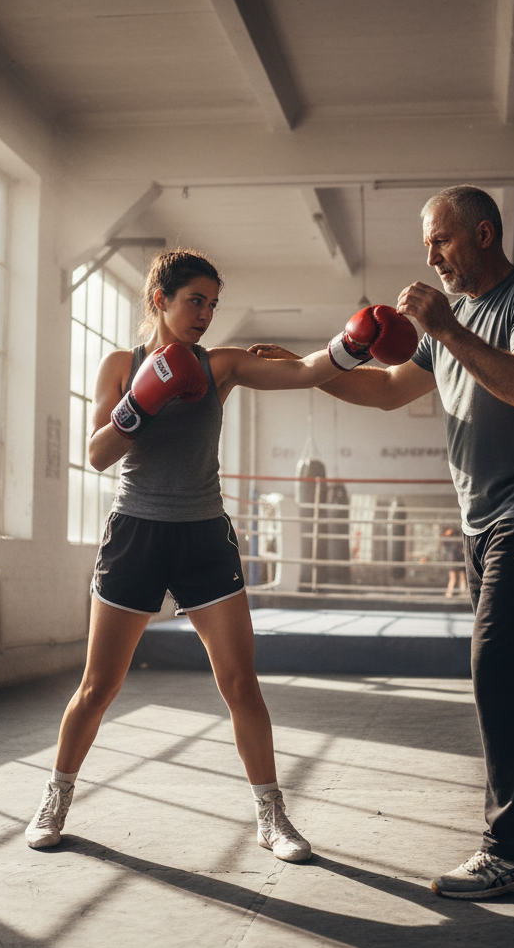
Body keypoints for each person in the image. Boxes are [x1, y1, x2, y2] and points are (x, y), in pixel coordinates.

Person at [253, 185, 514, 899]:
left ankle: (512, 853)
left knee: (499, 669)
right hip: (482, 518)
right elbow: (384, 392)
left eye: (440, 241)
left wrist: (447, 330)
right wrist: (316, 367)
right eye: (426, 246)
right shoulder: (458, 323)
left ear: (483, 232)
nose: (432, 258)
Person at [26, 248, 415, 861]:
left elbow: (309, 371)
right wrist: (142, 399)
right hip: (136, 535)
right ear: (161, 299)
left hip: (204, 536)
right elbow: (99, 454)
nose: (206, 314)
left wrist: (353, 343)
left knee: (240, 683)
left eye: (213, 304)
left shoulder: (221, 366)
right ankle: (56, 797)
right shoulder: (119, 366)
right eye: (195, 301)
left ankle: (271, 815)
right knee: (98, 686)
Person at [441, 525, 467, 597]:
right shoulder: (449, 541)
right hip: (453, 561)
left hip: (458, 560)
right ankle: (450, 593)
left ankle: (461, 592)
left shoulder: (458, 541)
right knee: (454, 577)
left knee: (461, 577)